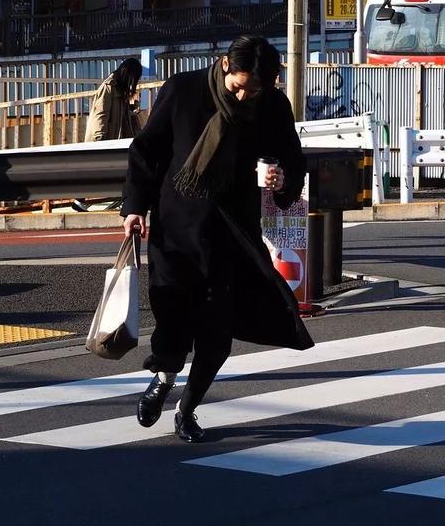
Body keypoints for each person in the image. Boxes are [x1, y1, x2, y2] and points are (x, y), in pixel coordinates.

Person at [121, 35, 313, 443]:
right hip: (176, 229)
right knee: (173, 316)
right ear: (225, 64)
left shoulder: (272, 107)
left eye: (256, 89)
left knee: (217, 333)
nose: (245, 95)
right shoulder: (183, 91)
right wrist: (135, 207)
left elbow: (293, 159)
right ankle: (164, 377)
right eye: (240, 85)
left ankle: (187, 410)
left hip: (232, 232)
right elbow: (147, 152)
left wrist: (283, 181)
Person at [73, 58, 143, 212]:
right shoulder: (109, 87)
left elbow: (124, 117)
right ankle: (79, 200)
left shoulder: (120, 88)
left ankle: (122, 198)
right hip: (102, 138)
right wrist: (99, 140)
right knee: (94, 169)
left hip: (112, 138)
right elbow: (101, 115)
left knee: (113, 167)